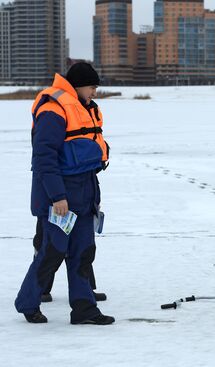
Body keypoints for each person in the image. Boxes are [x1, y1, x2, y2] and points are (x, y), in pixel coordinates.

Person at [14, 62, 114, 324]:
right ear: (79, 85)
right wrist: (57, 196)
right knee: (53, 251)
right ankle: (27, 302)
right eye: (92, 87)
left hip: (84, 191)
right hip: (59, 197)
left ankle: (84, 310)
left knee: (83, 252)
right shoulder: (53, 108)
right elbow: (44, 157)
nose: (94, 92)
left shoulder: (84, 106)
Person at [33, 218, 107, 303]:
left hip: (79, 210)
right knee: (49, 249)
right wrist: (56, 203)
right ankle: (40, 290)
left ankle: (85, 290)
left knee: (81, 249)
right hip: (54, 211)